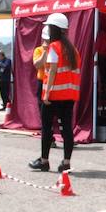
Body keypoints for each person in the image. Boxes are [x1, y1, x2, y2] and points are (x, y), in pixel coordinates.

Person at [29, 13, 81, 173]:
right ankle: (66, 162)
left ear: (54, 29)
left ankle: (44, 161)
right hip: (70, 95)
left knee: (46, 127)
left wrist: (46, 94)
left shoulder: (54, 47)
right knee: (66, 129)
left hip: (54, 96)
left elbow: (51, 71)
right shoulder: (73, 49)